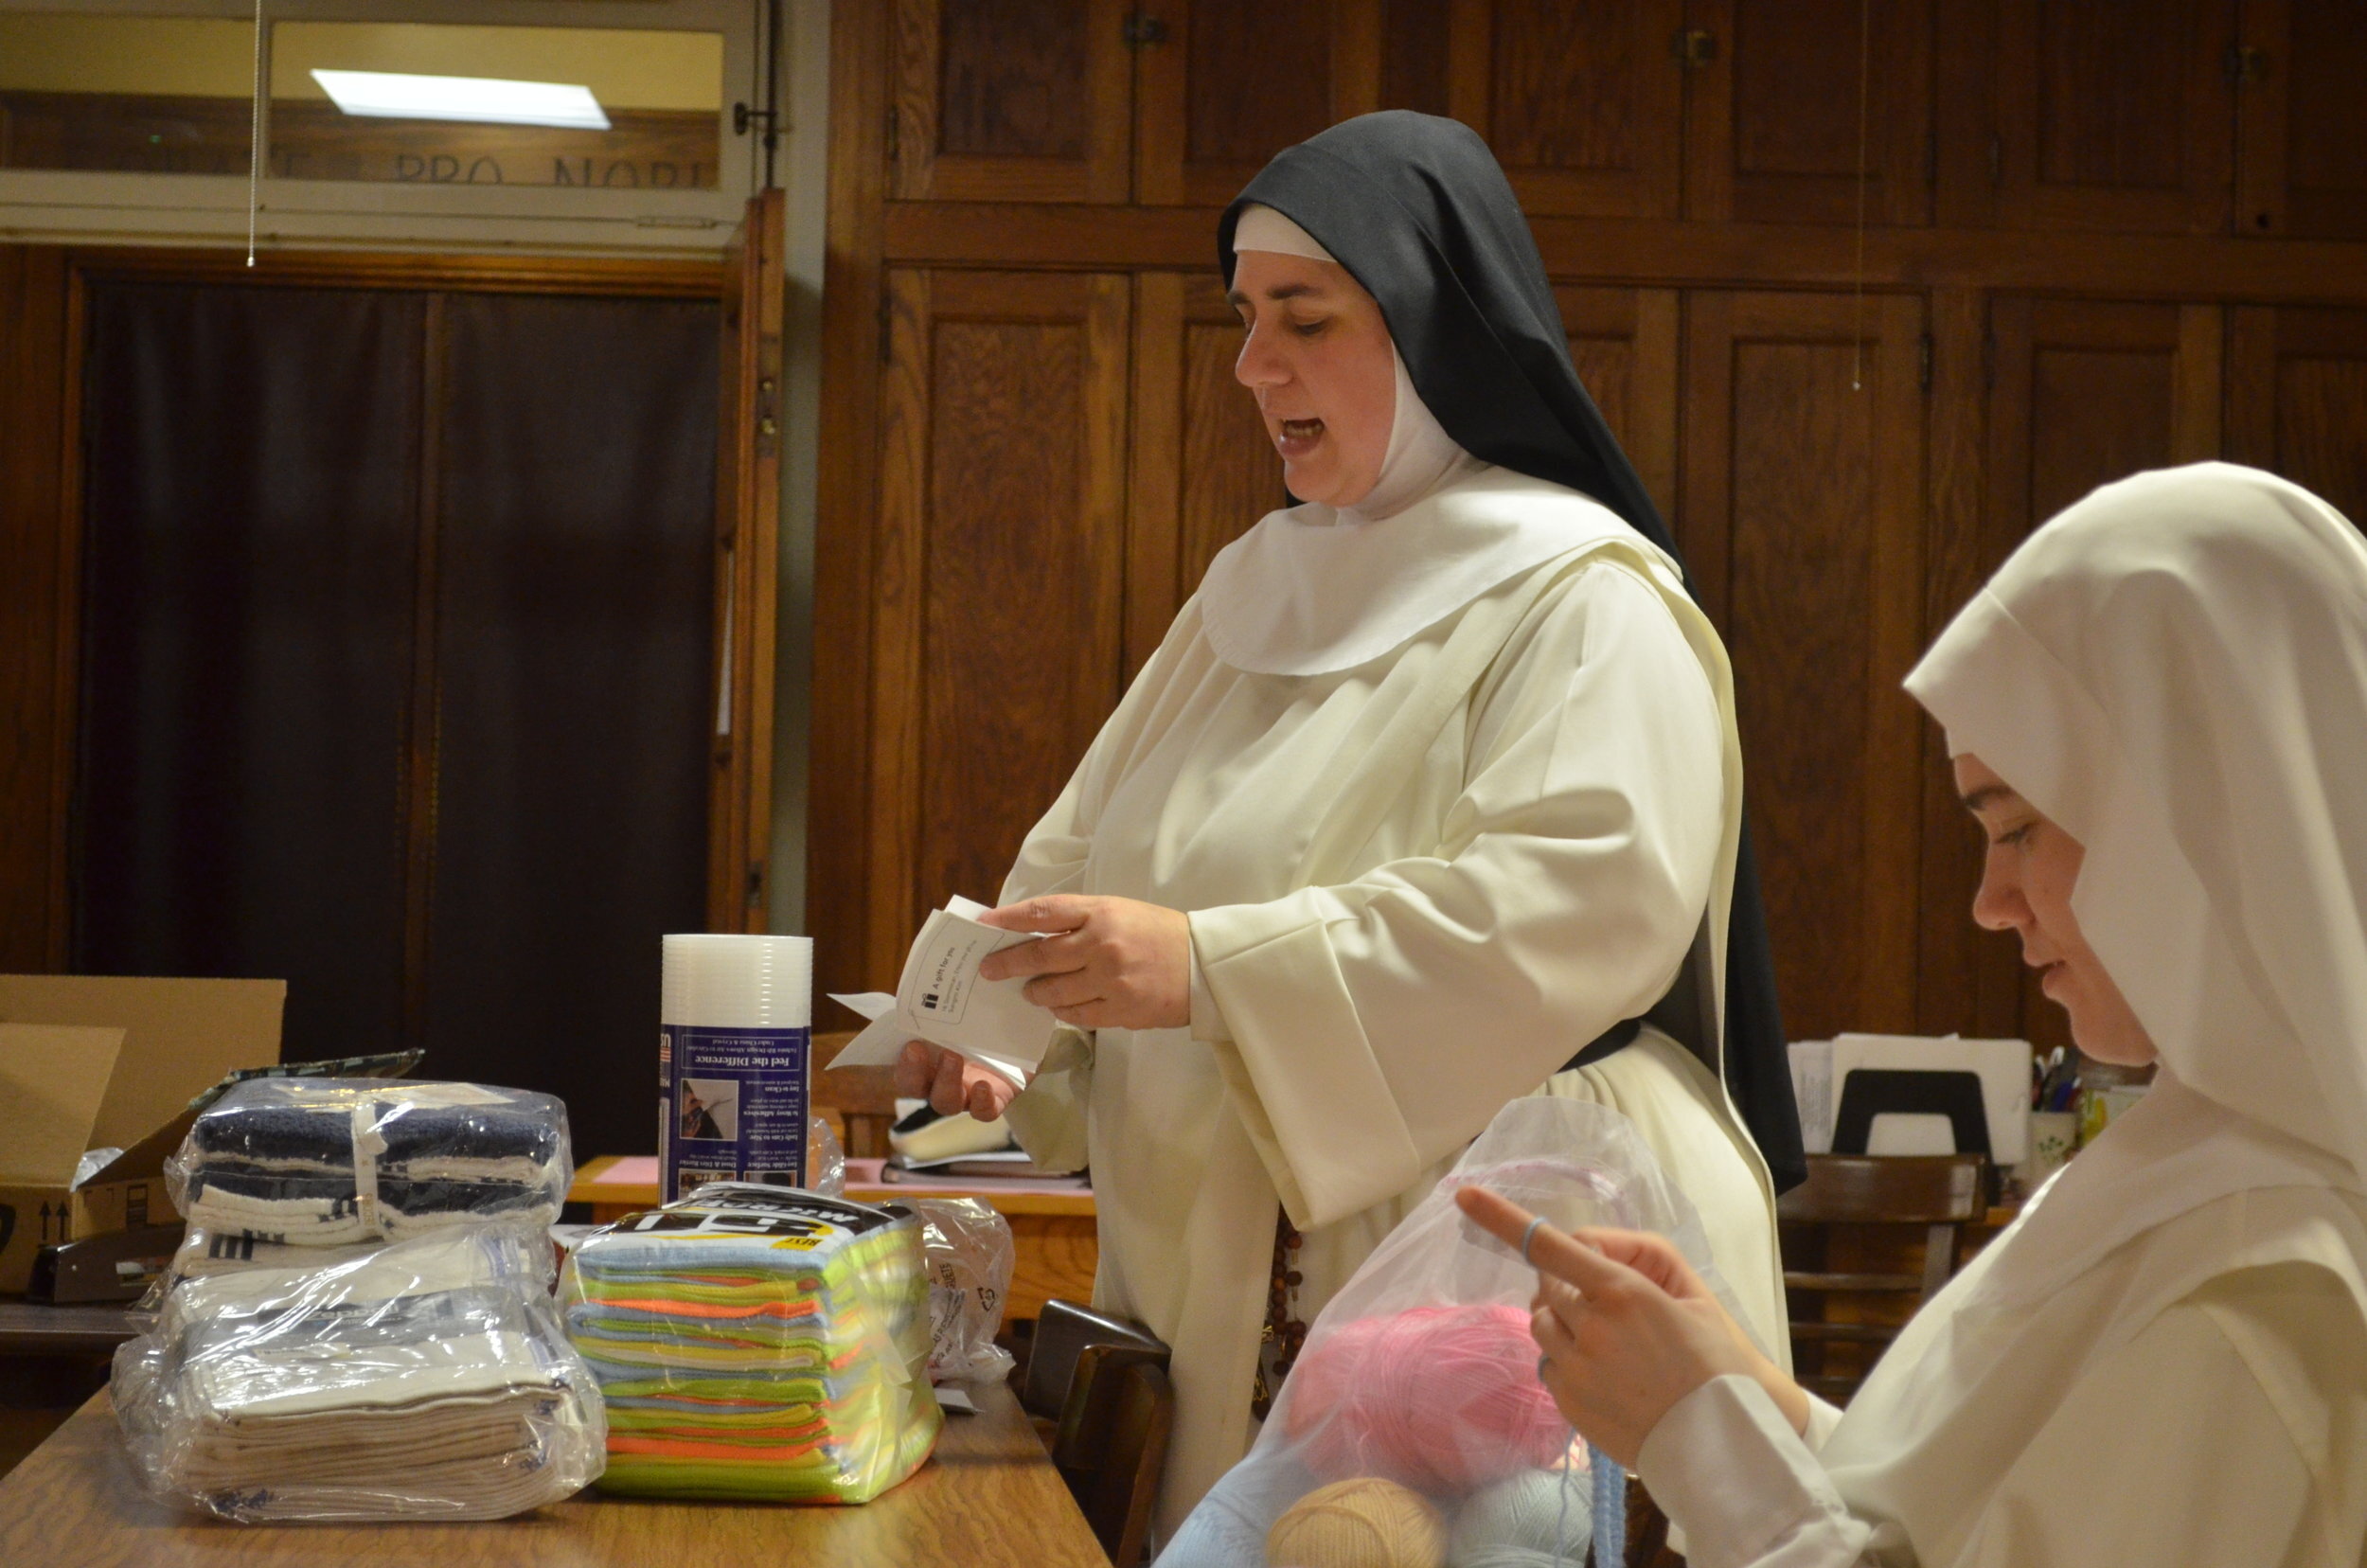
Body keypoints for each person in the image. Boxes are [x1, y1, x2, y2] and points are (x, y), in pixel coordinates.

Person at [895, 111, 1801, 1533]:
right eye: (1246, 320)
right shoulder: (1251, 591)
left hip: (1482, 1277)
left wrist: (1206, 969)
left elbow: (1580, 908)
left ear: (1436, 331)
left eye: (1304, 320)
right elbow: (1085, 851)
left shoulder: (1585, 600)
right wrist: (1014, 1019)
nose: (1255, 366)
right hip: (1213, 1258)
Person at [1462, 462, 2367, 1566]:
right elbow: (1984, 1514)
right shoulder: (2195, 1170)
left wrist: (1698, 1438)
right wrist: (1748, 1400)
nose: (1990, 903)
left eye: (2019, 827)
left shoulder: (2264, 1292)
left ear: (2200, 811)